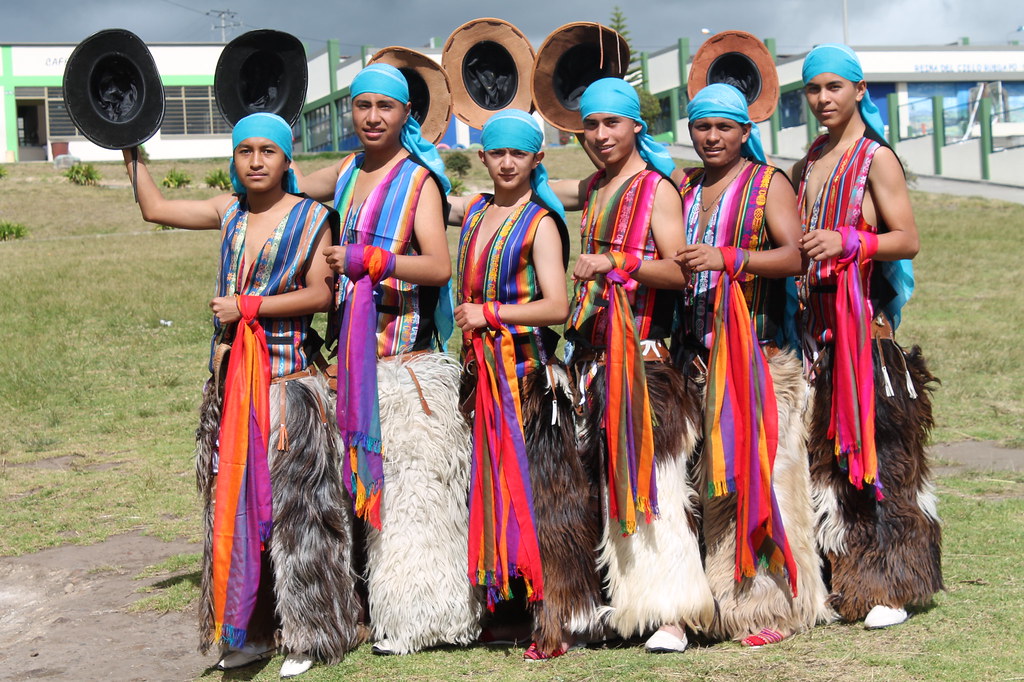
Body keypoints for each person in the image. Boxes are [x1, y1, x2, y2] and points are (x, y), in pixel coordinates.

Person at [122, 112, 362, 678]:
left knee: (299, 515)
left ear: (286, 159)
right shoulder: (228, 212)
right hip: (232, 392)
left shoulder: (311, 218)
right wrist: (128, 146)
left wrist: (249, 307)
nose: (256, 161)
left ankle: (311, 631)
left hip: (288, 393)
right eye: (245, 150)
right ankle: (249, 630)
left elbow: (323, 296)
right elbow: (155, 208)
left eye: (267, 151)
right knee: (235, 513)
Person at [295, 63, 481, 655]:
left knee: (412, 497)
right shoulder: (349, 170)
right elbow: (289, 179)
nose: (372, 117)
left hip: (406, 363)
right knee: (367, 498)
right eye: (362, 105)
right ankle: (381, 608)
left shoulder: (419, 180)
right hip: (355, 365)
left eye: (386, 107)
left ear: (406, 115)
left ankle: (426, 618)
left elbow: (437, 266)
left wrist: (371, 261)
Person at [550, 77, 714, 654]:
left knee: (657, 486)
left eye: (610, 123)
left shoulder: (657, 189)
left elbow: (679, 272)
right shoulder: (595, 186)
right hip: (593, 361)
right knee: (602, 487)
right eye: (589, 125)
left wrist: (618, 263)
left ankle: (672, 613)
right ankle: (623, 604)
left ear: (635, 128)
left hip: (646, 360)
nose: (599, 134)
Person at [671, 83, 832, 646]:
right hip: (697, 361)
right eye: (702, 127)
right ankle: (720, 604)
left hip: (759, 360)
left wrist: (731, 257)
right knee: (714, 487)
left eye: (724, 127)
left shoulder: (769, 184)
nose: (712, 137)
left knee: (762, 482)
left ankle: (776, 607)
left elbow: (796, 254)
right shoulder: (686, 188)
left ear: (745, 132)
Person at [792, 43, 942, 629]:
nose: (823, 98)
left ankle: (893, 587)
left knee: (879, 464)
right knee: (827, 470)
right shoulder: (808, 161)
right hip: (815, 341)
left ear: (858, 90)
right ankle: (845, 581)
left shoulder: (877, 158)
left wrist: (854, 242)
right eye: (813, 89)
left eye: (834, 87)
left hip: (867, 340)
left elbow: (907, 237)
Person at [447, 109, 603, 660]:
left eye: (519, 153)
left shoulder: (539, 223)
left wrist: (490, 314)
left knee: (546, 503)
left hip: (529, 384)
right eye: (497, 152)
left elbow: (556, 306)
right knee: (497, 500)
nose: (507, 162)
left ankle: (564, 615)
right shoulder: (474, 215)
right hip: (481, 382)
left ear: (537, 158)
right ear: (484, 157)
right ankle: (512, 610)